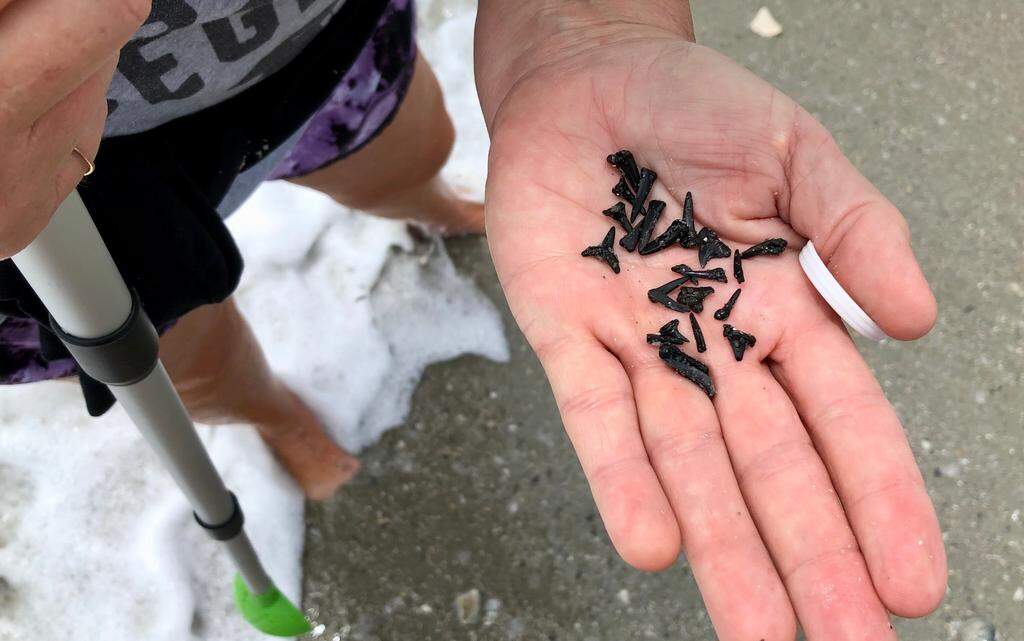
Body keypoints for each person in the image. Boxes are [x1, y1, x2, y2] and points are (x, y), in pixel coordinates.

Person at [0, 1, 947, 639]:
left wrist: (581, 30)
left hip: (320, 53)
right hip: (59, 215)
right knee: (179, 345)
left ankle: (429, 202)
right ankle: (276, 414)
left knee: (410, 148)